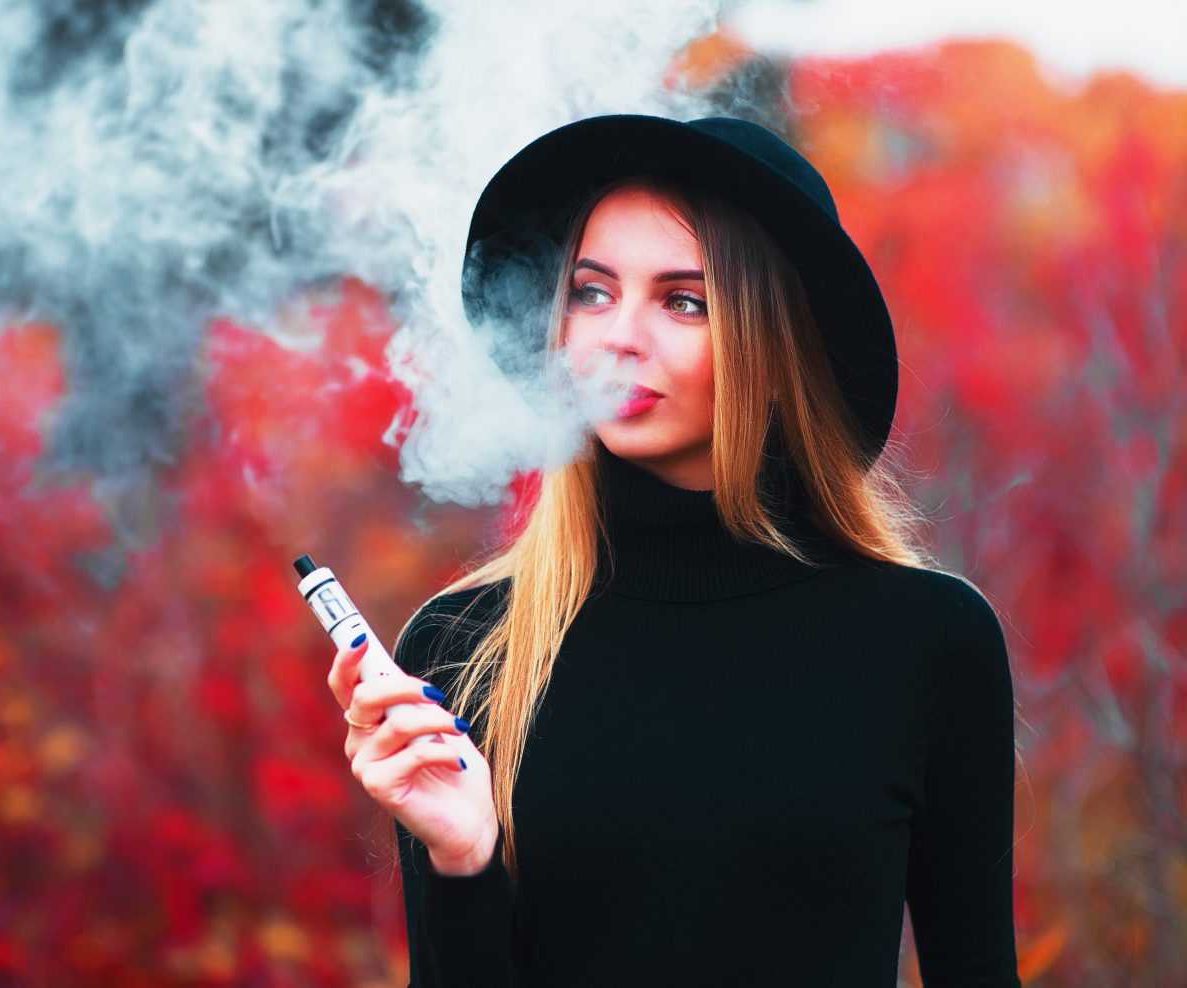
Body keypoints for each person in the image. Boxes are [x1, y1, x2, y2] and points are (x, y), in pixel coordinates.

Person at [325, 115, 1022, 986]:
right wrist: (463, 861)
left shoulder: (926, 641)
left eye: (683, 300)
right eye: (593, 291)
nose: (619, 338)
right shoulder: (466, 647)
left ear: (773, 347)